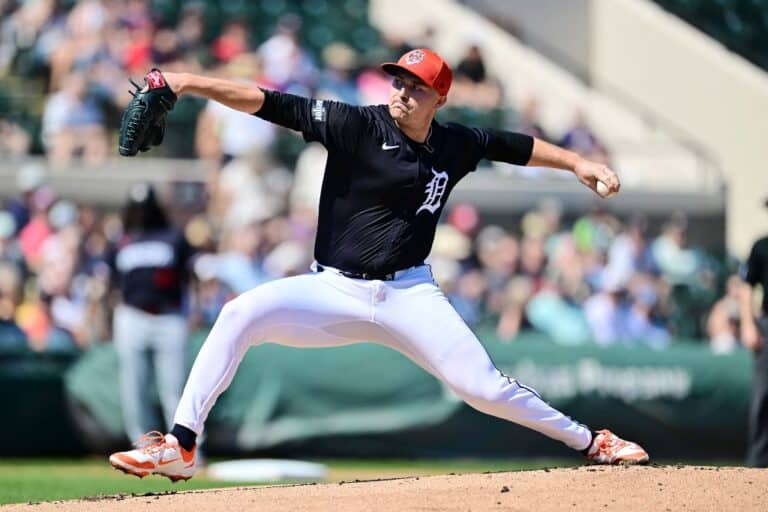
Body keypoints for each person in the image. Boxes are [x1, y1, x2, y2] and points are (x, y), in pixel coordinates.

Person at [109, 48, 648, 482]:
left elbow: (517, 146)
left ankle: (591, 440)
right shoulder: (356, 125)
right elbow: (269, 102)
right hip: (333, 291)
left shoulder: (455, 142)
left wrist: (578, 161)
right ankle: (180, 444)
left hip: (410, 295)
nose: (402, 92)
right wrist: (183, 80)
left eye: (415, 86)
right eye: (397, 81)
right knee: (238, 314)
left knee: (482, 388)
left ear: (439, 96)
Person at [108, 184, 194, 444]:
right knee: (134, 389)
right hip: (132, 316)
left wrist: (194, 310)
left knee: (176, 389)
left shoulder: (173, 237)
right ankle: (143, 448)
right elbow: (112, 285)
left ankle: (186, 448)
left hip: (169, 317)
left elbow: (190, 278)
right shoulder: (120, 241)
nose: (141, 213)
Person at [740, 223, 768, 467]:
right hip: (767, 325)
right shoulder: (762, 247)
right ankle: (758, 463)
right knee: (764, 396)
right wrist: (748, 324)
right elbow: (747, 287)